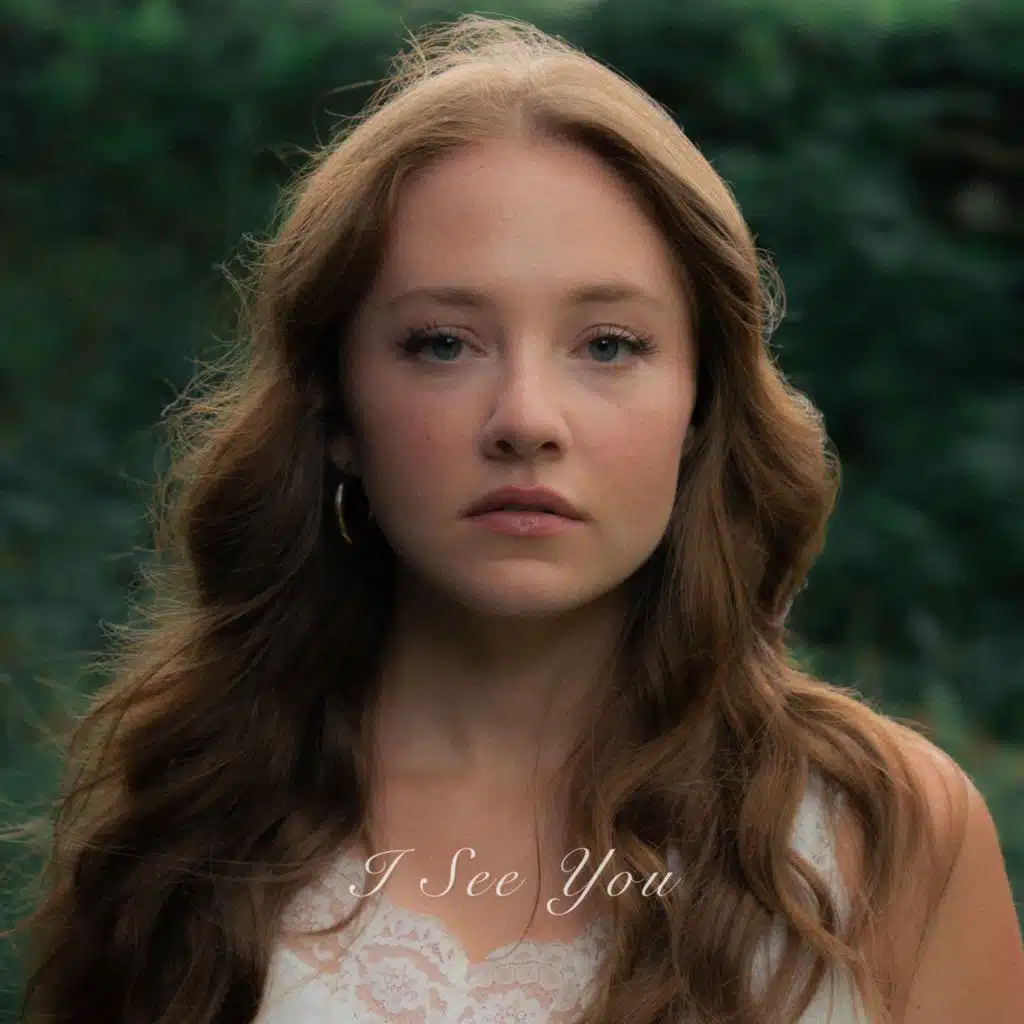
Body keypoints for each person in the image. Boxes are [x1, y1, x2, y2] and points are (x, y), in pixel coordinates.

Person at [9, 13, 1023, 1024]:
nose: (526, 419)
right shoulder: (189, 812)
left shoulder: (885, 832)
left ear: (701, 406)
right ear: (337, 410)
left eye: (608, 344)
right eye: (444, 344)